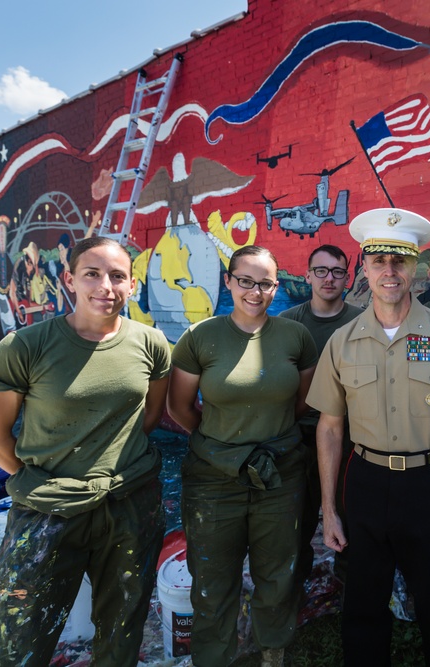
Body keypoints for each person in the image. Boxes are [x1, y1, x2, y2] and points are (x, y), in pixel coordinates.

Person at [308, 208, 430, 666]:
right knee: (362, 603)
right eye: (379, 261)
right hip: (366, 482)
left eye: (400, 260)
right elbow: (330, 428)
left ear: (415, 266)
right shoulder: (343, 341)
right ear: (366, 267)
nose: (390, 271)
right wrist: (330, 510)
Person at [0, 236, 171, 667]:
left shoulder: (151, 342)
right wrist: (41, 481)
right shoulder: (24, 346)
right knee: (13, 631)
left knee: (123, 625)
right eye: (92, 274)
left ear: (132, 285)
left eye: (118, 276)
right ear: (69, 279)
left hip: (130, 504)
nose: (106, 286)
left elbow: (149, 417)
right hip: (47, 509)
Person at [167, 245, 317, 667]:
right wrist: (223, 444)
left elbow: (301, 403)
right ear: (229, 281)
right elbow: (180, 407)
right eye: (245, 281)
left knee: (277, 572)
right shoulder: (201, 337)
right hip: (214, 478)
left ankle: (273, 651)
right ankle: (215, 657)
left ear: (275, 286)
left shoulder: (295, 336)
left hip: (281, 473)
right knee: (213, 578)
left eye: (265, 283)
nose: (256, 291)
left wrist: (263, 438)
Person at [279, 244, 362, 587]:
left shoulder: (362, 321)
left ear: (347, 277)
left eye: (338, 272)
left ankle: (348, 592)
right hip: (298, 438)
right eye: (322, 271)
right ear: (308, 275)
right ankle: (291, 595)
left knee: (348, 517)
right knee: (293, 524)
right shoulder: (286, 324)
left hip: (349, 440)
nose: (330, 279)